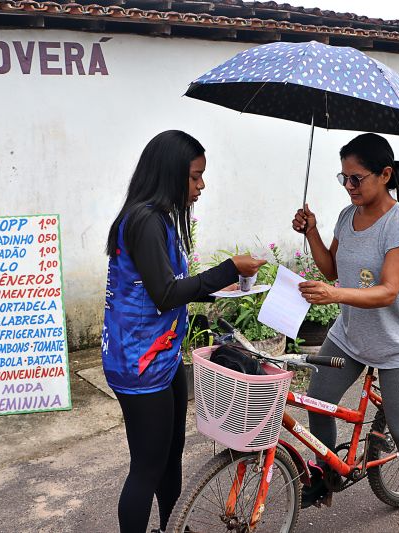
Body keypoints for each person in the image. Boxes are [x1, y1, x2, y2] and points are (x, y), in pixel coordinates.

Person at [102, 130, 265, 533]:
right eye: (195, 177)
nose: (201, 185)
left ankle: (173, 526)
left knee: (169, 457)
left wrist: (216, 288)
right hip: (139, 365)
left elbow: (168, 285)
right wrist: (228, 268)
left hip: (163, 356)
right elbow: (165, 292)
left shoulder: (159, 219)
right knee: (145, 468)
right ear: (169, 174)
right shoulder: (143, 221)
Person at [292, 133, 399, 533]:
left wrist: (333, 295)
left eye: (357, 178)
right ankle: (325, 472)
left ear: (385, 175)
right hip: (350, 334)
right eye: (344, 179)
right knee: (318, 402)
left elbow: (388, 291)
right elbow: (333, 270)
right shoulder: (346, 216)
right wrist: (312, 232)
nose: (350, 186)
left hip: (398, 343)